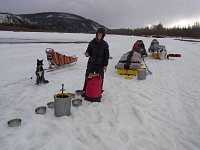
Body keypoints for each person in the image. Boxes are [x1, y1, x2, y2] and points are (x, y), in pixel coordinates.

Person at [82, 27, 109, 97]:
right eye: (99, 34)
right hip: (91, 63)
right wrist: (87, 54)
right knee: (88, 76)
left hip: (100, 64)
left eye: (101, 34)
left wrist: (105, 65)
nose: (100, 35)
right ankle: (85, 90)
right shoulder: (92, 42)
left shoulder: (105, 44)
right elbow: (88, 51)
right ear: (96, 34)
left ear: (103, 35)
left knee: (100, 77)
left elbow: (106, 56)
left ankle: (99, 91)